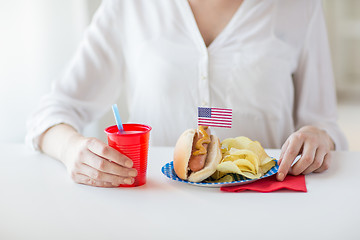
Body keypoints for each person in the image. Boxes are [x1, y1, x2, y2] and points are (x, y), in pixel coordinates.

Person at [26, 0, 348, 188]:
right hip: (156, 209)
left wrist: (317, 137)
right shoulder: (130, 6)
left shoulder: (300, 7)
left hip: (265, 208)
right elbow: (52, 113)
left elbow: (325, 126)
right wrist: (71, 149)